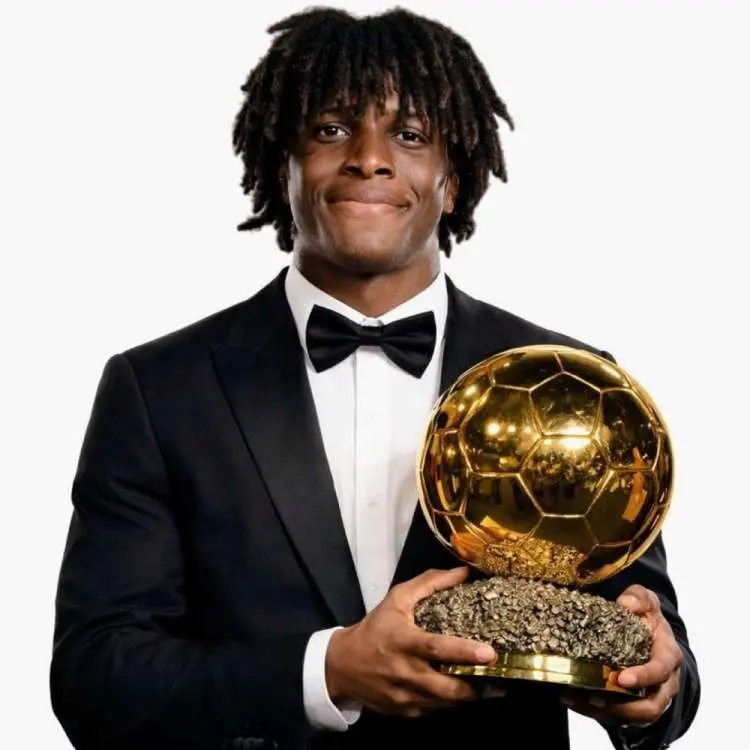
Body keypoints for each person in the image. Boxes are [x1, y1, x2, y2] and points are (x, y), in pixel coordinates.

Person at [50, 7, 699, 750]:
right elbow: (95, 678)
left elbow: (669, 670)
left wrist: (654, 688)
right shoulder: (159, 391)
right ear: (282, 167)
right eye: (330, 130)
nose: (369, 158)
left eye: (411, 135)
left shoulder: (575, 385)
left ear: (452, 180)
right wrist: (327, 673)